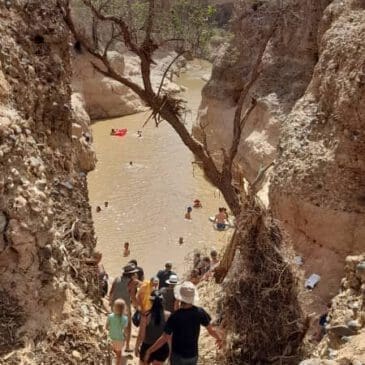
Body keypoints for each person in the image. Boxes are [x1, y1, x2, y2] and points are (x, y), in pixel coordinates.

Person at [144, 281, 222, 365]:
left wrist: (149, 350)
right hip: (192, 355)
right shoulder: (200, 312)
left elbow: (164, 338)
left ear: (180, 298)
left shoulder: (175, 316)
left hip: (178, 356)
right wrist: (219, 338)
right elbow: (211, 330)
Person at [109, 264, 140, 352]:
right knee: (128, 326)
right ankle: (127, 346)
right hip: (125, 307)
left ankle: (114, 343)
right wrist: (136, 306)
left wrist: (110, 302)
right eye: (133, 273)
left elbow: (111, 292)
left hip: (115, 305)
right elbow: (132, 296)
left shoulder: (117, 279)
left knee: (117, 324)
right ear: (131, 274)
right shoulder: (132, 282)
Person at [135, 290, 170, 364]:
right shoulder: (168, 315)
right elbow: (169, 336)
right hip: (162, 348)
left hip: (147, 345)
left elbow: (141, 335)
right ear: (162, 301)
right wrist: (170, 350)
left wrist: (137, 346)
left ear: (150, 301)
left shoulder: (146, 316)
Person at [106, 298, 128, 365]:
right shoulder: (125, 318)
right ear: (124, 309)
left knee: (110, 355)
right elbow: (125, 331)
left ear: (114, 307)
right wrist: (125, 338)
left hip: (111, 338)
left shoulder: (110, 316)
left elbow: (106, 327)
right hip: (120, 339)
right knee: (118, 356)